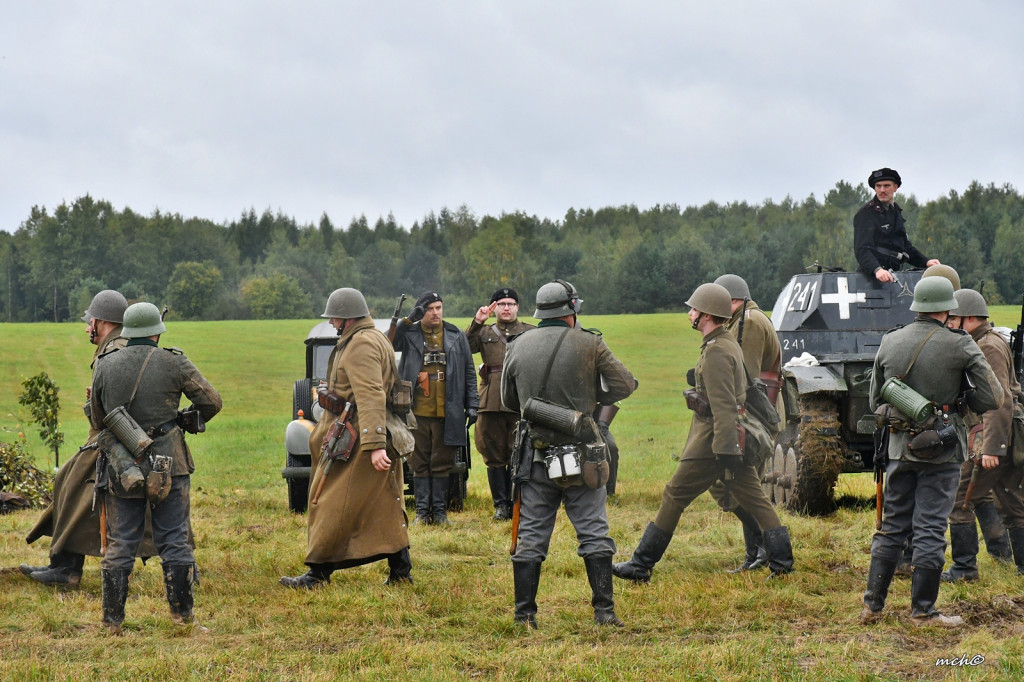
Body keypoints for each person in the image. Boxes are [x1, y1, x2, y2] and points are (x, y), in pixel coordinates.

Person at [613, 283, 794, 585]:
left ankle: (641, 564)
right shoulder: (722, 343)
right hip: (725, 438)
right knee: (756, 499)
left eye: (694, 309)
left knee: (674, 495)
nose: (689, 314)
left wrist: (725, 451)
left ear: (707, 315)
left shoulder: (716, 353)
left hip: (714, 442)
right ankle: (782, 563)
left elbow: (724, 406)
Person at [861, 277, 1000, 627]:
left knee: (892, 525)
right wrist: (962, 403)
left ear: (917, 306)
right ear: (948, 308)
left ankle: (872, 606)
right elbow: (992, 397)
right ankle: (923, 611)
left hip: (897, 448)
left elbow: (874, 398)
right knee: (931, 527)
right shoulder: (961, 344)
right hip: (942, 451)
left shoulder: (890, 340)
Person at [501, 280, 636, 628]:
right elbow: (625, 384)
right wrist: (590, 398)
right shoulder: (591, 343)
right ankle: (604, 613)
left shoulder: (517, 345)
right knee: (594, 531)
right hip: (584, 455)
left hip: (535, 456)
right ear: (571, 309)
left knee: (530, 534)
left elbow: (508, 401)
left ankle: (524, 617)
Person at [90, 302, 222, 634]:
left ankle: (112, 622)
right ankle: (183, 618)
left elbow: (96, 417)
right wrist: (180, 419)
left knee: (121, 542)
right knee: (175, 539)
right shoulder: (173, 361)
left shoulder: (104, 364)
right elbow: (212, 402)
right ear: (156, 331)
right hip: (169, 463)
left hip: (123, 465)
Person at [281, 288, 413, 590]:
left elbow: (370, 395)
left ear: (348, 318)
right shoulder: (369, 337)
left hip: (353, 436)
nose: (332, 323)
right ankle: (401, 570)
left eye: (335, 318)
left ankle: (318, 573)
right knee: (383, 503)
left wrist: (375, 445)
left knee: (329, 501)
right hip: (357, 429)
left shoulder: (361, 344)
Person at [20, 290, 153, 587]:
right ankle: (65, 563)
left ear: (102, 321)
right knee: (69, 482)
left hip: (116, 437)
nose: (86, 327)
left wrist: (93, 403)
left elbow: (120, 405)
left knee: (71, 481)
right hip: (116, 435)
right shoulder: (117, 344)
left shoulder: (114, 348)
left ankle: (66, 568)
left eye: (89, 321)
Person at [941, 288, 1024, 582]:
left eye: (954, 319)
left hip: (992, 434)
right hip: (1007, 433)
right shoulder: (988, 341)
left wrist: (992, 447)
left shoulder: (987, 347)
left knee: (961, 500)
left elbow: (998, 399)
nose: (949, 323)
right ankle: (1014, 564)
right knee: (1010, 501)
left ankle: (965, 568)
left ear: (971, 318)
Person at [707, 274, 783, 572]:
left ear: (731, 301)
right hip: (757, 413)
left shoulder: (747, 322)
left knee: (741, 484)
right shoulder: (746, 317)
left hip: (754, 416)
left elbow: (745, 377)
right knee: (738, 484)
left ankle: (763, 550)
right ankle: (757, 551)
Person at [392, 291, 478, 525]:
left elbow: (469, 371)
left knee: (442, 462)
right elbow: (390, 341)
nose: (436, 312)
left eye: (439, 307)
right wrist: (409, 319)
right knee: (419, 463)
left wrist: (472, 404)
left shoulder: (456, 334)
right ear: (422, 311)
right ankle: (421, 512)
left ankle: (439, 513)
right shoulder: (409, 333)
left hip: (447, 411)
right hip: (416, 410)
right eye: (430, 308)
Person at [466, 287, 535, 521]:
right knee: (494, 455)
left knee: (519, 453)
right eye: (502, 303)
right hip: (491, 401)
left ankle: (518, 503)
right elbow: (463, 347)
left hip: (519, 401)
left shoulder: (530, 332)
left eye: (511, 303)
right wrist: (477, 322)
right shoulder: (484, 332)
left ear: (518, 307)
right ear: (494, 308)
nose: (506, 308)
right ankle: (501, 506)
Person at [854, 167, 939, 283]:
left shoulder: (895, 211)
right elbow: (862, 250)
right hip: (871, 279)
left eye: (886, 186)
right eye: (878, 186)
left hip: (894, 274)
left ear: (895, 187)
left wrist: (926, 262)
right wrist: (877, 269)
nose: (882, 190)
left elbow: (904, 246)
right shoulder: (866, 213)